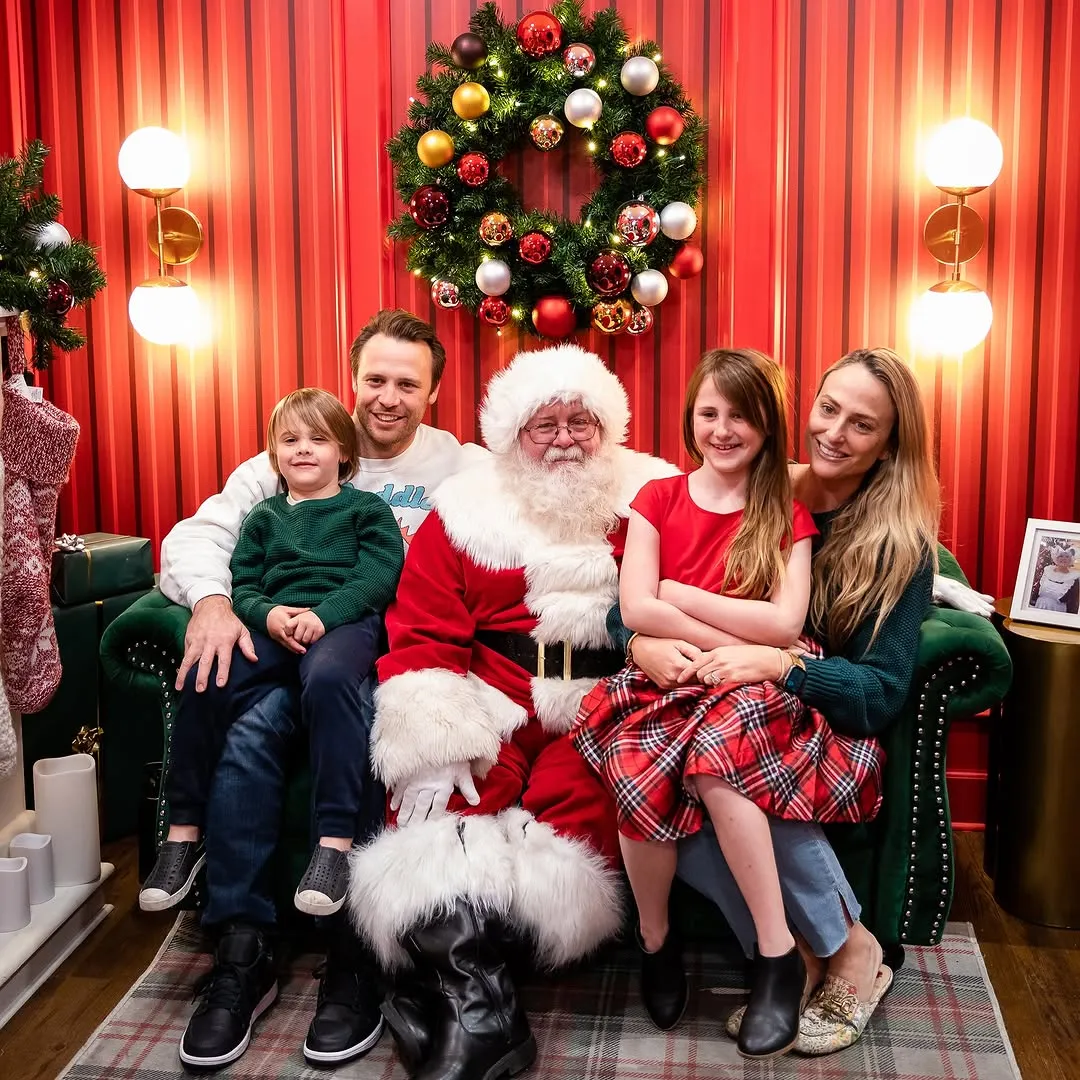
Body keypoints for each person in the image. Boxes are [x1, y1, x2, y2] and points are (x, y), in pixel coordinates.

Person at [346, 344, 678, 1080]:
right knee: (436, 824)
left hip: (605, 704)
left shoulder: (654, 494)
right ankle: (485, 1012)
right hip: (492, 697)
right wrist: (436, 734)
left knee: (572, 834)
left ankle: (444, 1005)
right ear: (510, 436)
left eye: (580, 421)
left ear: (608, 424)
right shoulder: (464, 512)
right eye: (544, 424)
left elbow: (735, 551)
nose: (564, 438)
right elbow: (423, 629)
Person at [156, 309, 474, 1069]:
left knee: (360, 712)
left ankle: (355, 959)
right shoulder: (300, 449)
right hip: (284, 644)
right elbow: (199, 536)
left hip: (381, 657)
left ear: (431, 392)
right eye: (375, 380)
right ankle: (242, 948)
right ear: (353, 380)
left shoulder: (458, 465)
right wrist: (212, 602)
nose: (388, 398)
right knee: (250, 729)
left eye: (408, 383)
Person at [622, 347, 940, 1057]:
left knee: (733, 764)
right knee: (675, 777)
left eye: (863, 425)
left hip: (821, 716)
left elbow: (882, 690)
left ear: (890, 446)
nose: (834, 433)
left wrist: (785, 667)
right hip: (716, 688)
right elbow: (643, 592)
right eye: (829, 410)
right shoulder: (759, 486)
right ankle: (792, 954)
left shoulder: (900, 547)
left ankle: (852, 949)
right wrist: (640, 644)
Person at [140, 388, 404, 932]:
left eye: (317, 439)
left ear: (344, 453)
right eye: (289, 440)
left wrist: (326, 615)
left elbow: (379, 575)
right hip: (276, 627)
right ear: (273, 453)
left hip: (343, 626)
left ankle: (333, 844)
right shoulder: (261, 518)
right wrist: (269, 613)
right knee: (205, 675)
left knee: (330, 680)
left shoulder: (366, 510)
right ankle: (183, 836)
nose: (303, 450)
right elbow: (245, 581)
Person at [1032, 544, 1080, 613]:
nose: (1064, 559)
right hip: (1040, 606)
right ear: (1056, 558)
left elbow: (1073, 601)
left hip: (1058, 611)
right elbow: (1036, 590)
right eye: (1061, 556)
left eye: (1067, 556)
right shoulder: (1047, 571)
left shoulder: (1073, 578)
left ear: (1071, 559)